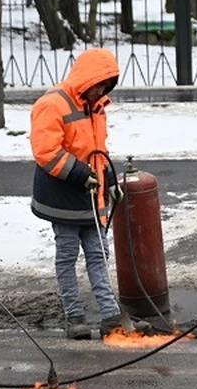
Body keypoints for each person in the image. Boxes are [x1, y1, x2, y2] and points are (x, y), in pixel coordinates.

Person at [30, 48, 127, 340]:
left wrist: (109, 180)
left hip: (90, 195)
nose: (102, 90)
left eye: (106, 86)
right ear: (87, 79)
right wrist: (81, 174)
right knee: (68, 255)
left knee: (98, 254)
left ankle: (110, 316)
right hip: (64, 196)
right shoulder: (52, 104)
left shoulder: (96, 107)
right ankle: (75, 317)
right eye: (100, 84)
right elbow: (46, 151)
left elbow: (98, 151)